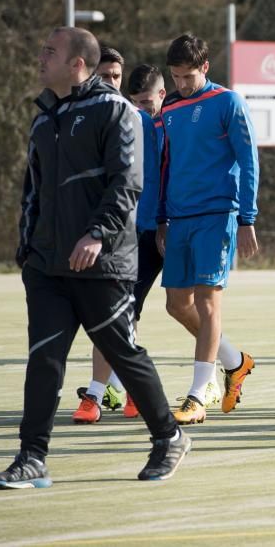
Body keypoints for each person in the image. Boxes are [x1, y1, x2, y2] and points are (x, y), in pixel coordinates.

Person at [0, 27, 190, 490]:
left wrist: (97, 235)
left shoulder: (115, 110)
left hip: (104, 262)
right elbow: (32, 193)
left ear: (78, 63)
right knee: (44, 360)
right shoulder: (43, 119)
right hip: (47, 266)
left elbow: (127, 183)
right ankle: (31, 458)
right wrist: (27, 250)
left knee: (123, 351)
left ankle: (168, 436)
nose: (41, 59)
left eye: (50, 52)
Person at [157, 33, 259, 425]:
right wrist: (163, 217)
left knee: (207, 303)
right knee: (176, 305)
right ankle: (235, 361)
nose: (181, 84)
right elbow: (168, 163)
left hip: (218, 215)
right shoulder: (169, 106)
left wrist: (248, 217)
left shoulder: (227, 102)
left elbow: (249, 161)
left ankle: (198, 395)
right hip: (179, 218)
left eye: (188, 77)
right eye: (176, 77)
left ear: (205, 68)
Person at [72, 64, 180, 423]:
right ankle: (110, 393)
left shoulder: (160, 124)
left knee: (125, 313)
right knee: (118, 314)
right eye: (137, 101)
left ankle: (104, 393)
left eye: (147, 100)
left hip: (151, 234)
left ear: (161, 96)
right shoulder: (127, 120)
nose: (141, 106)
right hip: (122, 232)